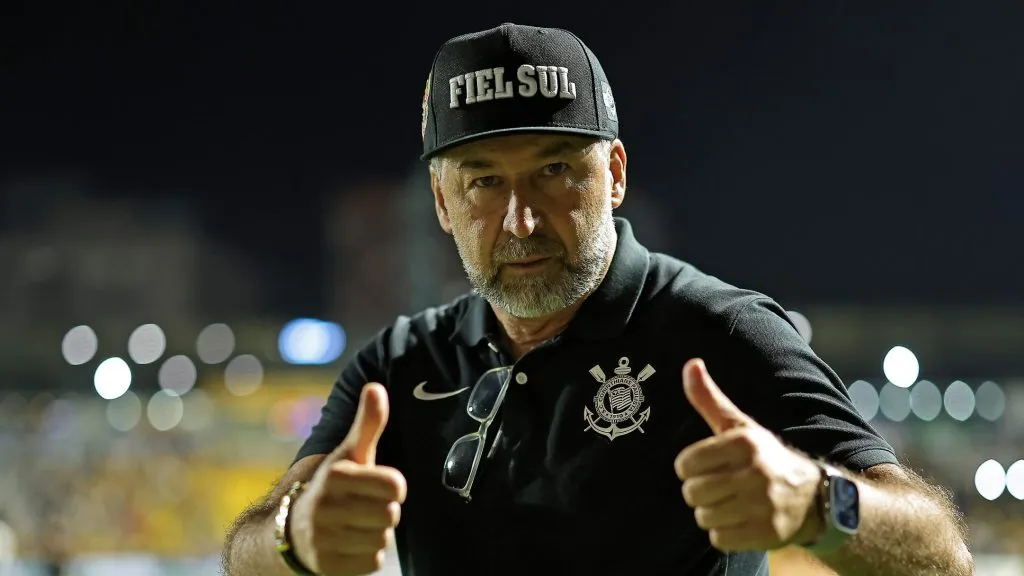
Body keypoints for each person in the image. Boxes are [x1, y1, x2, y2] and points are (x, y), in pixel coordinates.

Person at [222, 22, 972, 576]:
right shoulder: (397, 361)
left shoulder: (722, 331)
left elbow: (943, 553)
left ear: (613, 174)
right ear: (442, 203)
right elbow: (247, 553)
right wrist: (296, 536)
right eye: (483, 180)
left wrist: (814, 503)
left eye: (554, 170)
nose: (519, 219)